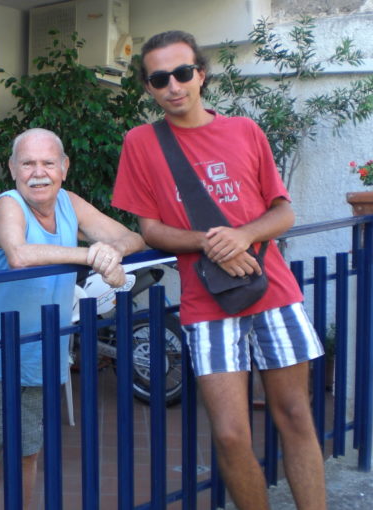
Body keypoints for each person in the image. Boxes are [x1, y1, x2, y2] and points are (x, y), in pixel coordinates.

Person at [112, 30, 326, 510]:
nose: (173, 86)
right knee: (230, 436)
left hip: (272, 288)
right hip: (206, 300)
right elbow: (150, 229)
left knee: (295, 415)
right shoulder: (142, 143)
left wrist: (243, 235)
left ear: (201, 74)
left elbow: (282, 212)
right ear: (149, 86)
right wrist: (212, 242)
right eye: (160, 78)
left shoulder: (245, 131)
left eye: (183, 73)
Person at [0, 127, 146, 510]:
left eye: (48, 162)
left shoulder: (69, 203)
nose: (39, 172)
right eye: (28, 163)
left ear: (64, 167)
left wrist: (109, 252)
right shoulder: (8, 204)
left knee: (27, 453)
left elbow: (133, 237)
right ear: (13, 169)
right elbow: (19, 254)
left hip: (41, 353)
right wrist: (89, 256)